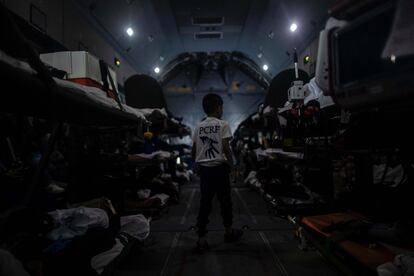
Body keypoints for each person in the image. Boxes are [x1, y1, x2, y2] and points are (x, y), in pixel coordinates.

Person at [192, 93, 243, 252]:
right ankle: (228, 233)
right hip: (220, 170)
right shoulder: (223, 124)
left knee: (205, 204)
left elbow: (194, 149)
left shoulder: (199, 126)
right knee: (225, 202)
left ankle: (201, 239)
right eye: (222, 107)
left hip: (205, 171)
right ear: (219, 107)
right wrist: (233, 165)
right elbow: (226, 147)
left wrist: (197, 164)